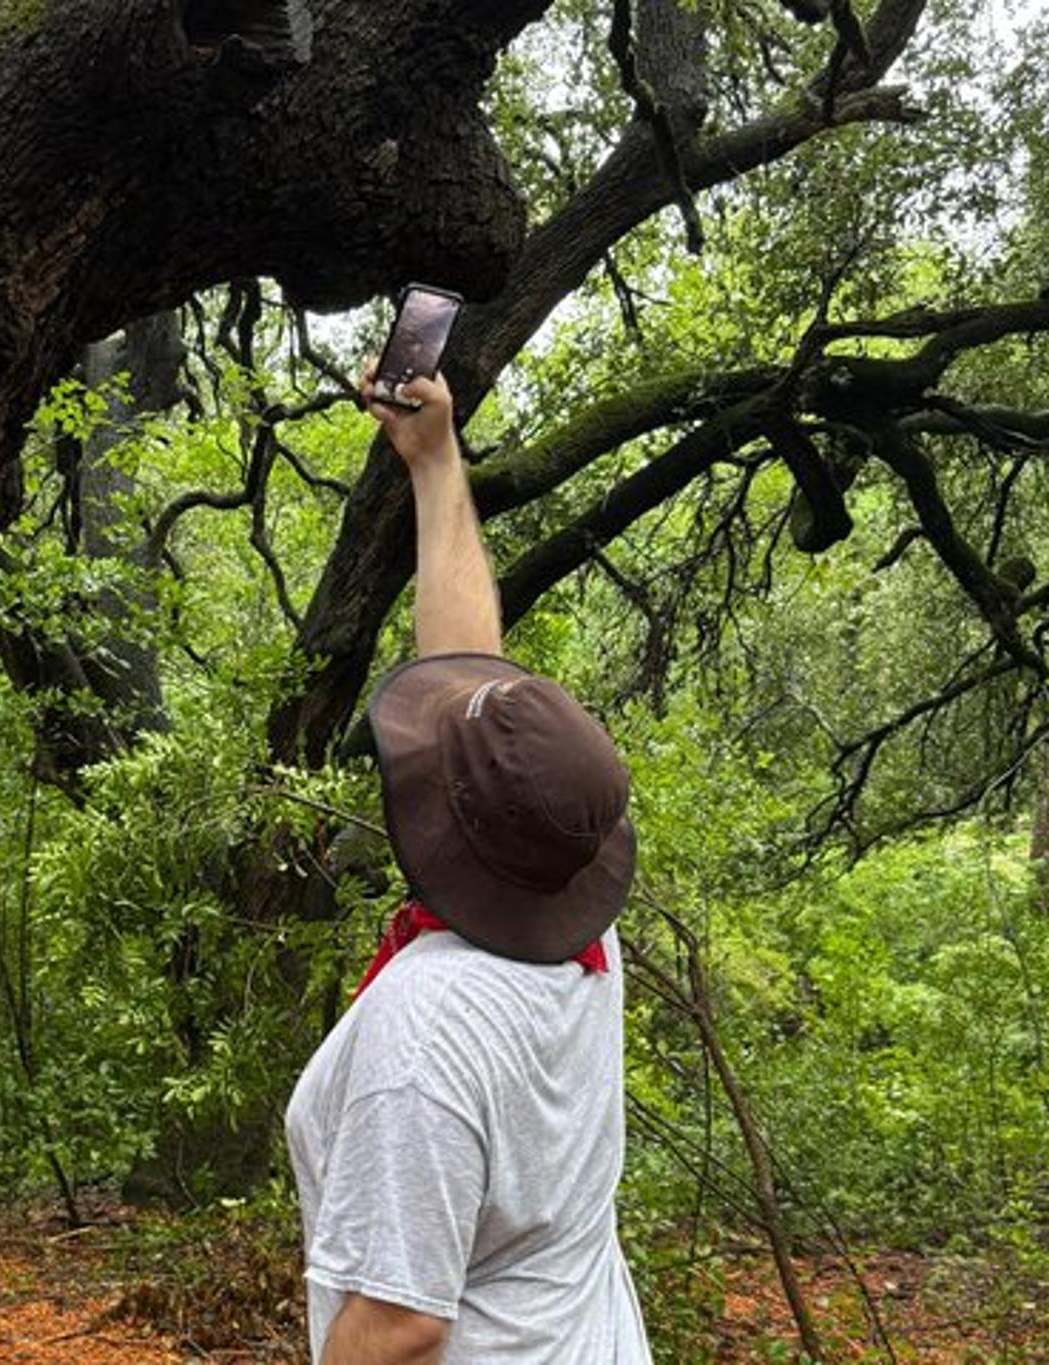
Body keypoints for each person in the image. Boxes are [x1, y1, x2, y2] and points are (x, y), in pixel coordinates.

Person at [284, 362, 650, 1362]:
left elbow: (401, 1320)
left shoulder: (425, 1029)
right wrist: (434, 462)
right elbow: (469, 672)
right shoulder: (575, 926)